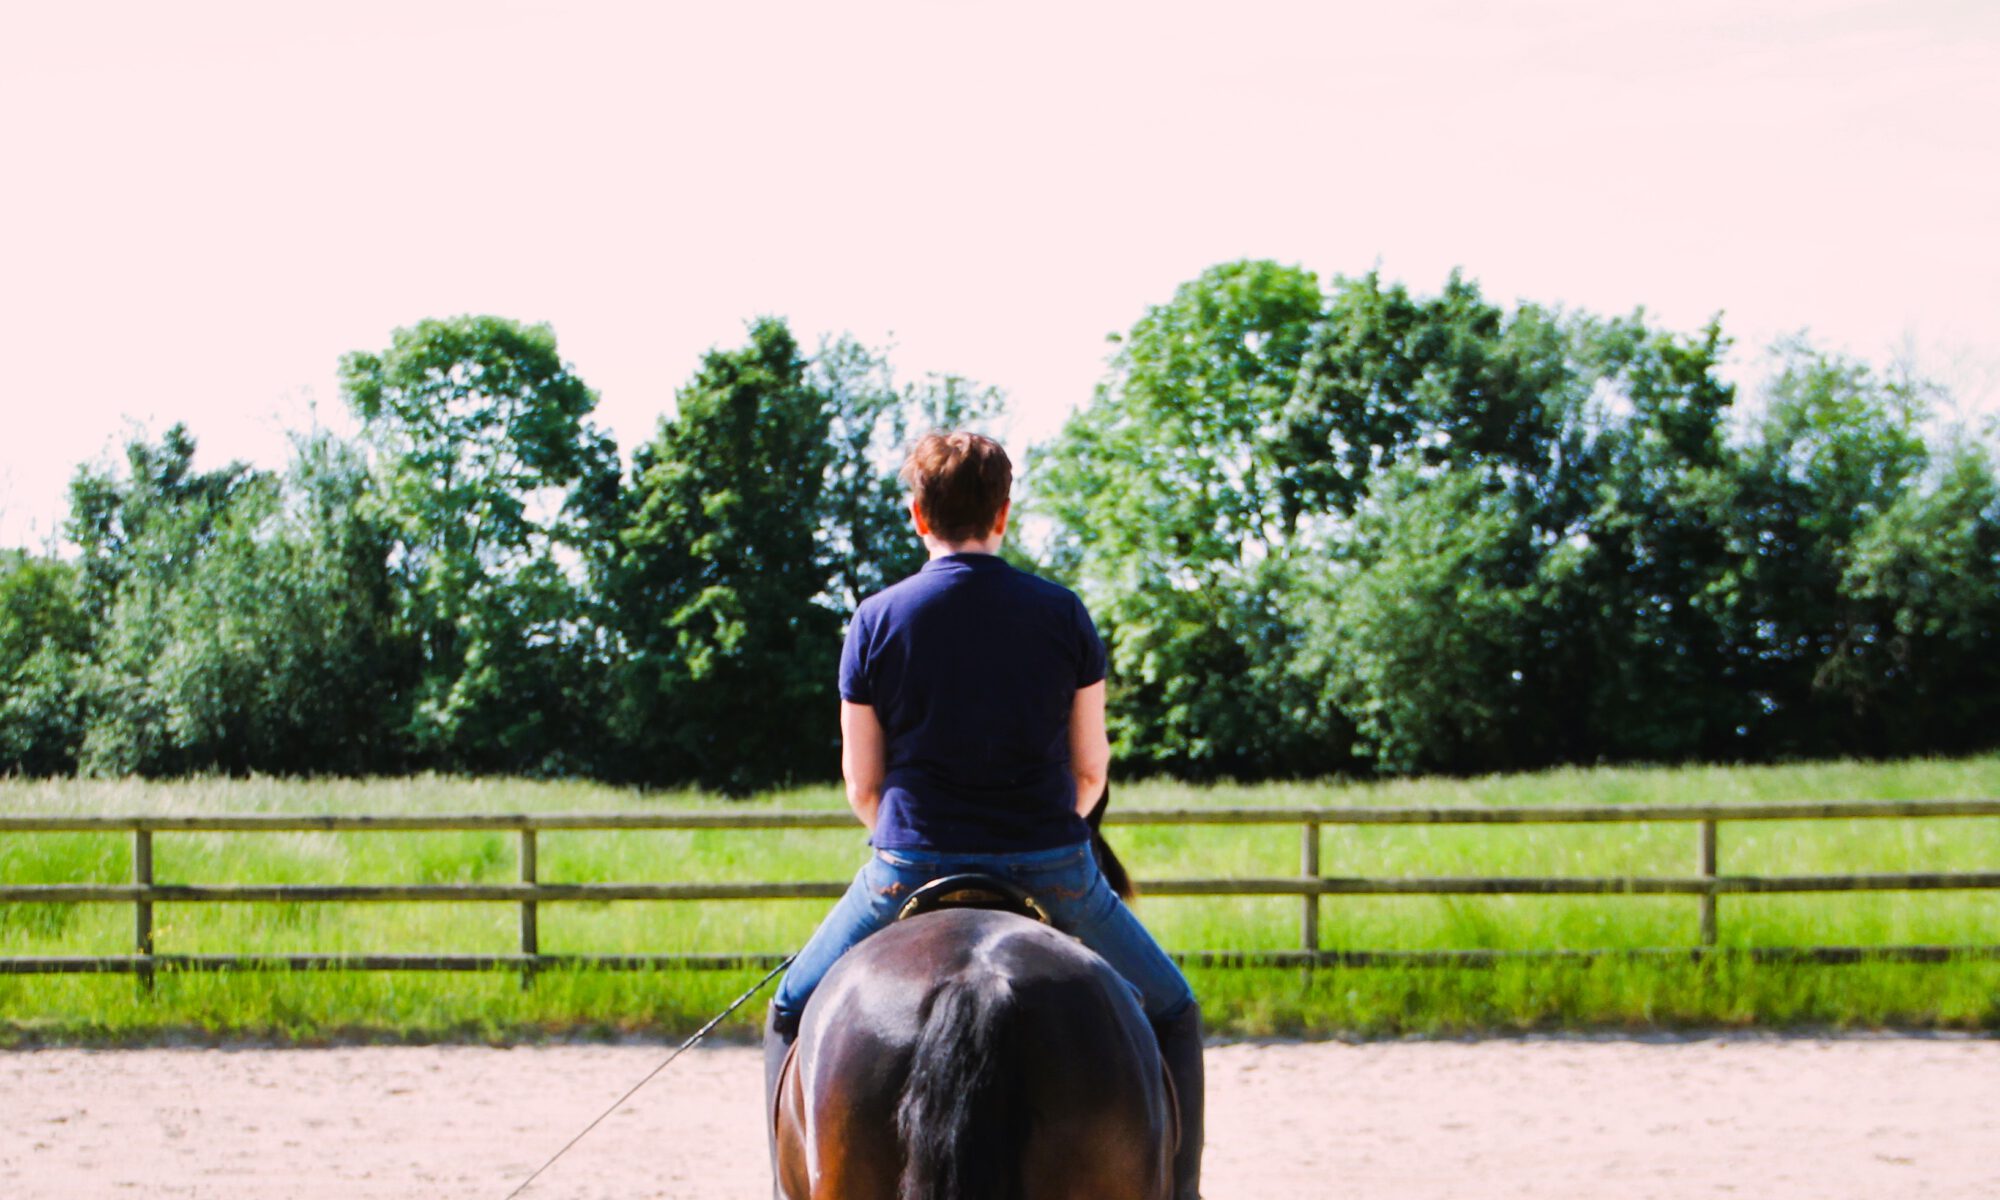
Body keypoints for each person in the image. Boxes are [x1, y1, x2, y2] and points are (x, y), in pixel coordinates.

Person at [763, 431, 1203, 1199]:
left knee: (790, 1008)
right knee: (1172, 1008)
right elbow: (1091, 771)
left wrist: (910, 840)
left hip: (907, 870)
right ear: (1003, 513)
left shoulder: (875, 620)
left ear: (916, 515)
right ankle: (1185, 1189)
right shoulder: (1062, 614)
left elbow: (862, 786)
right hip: (1052, 869)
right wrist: (1040, 836)